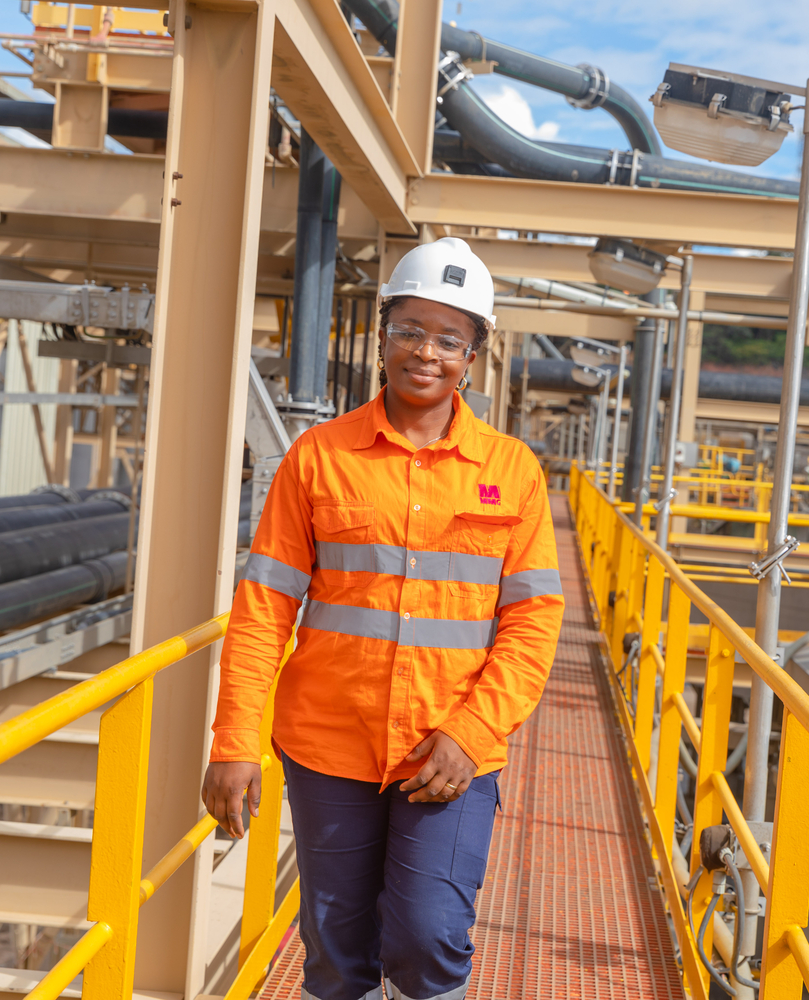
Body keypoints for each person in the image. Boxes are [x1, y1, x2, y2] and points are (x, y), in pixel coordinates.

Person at [203, 237, 565, 1000]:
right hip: (329, 744)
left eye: (449, 339)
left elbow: (533, 623)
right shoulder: (319, 458)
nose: (425, 352)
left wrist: (473, 733)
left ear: (473, 356)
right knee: (337, 949)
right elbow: (265, 608)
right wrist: (234, 740)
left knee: (428, 934)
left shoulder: (513, 473)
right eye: (409, 330)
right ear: (381, 336)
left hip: (448, 750)